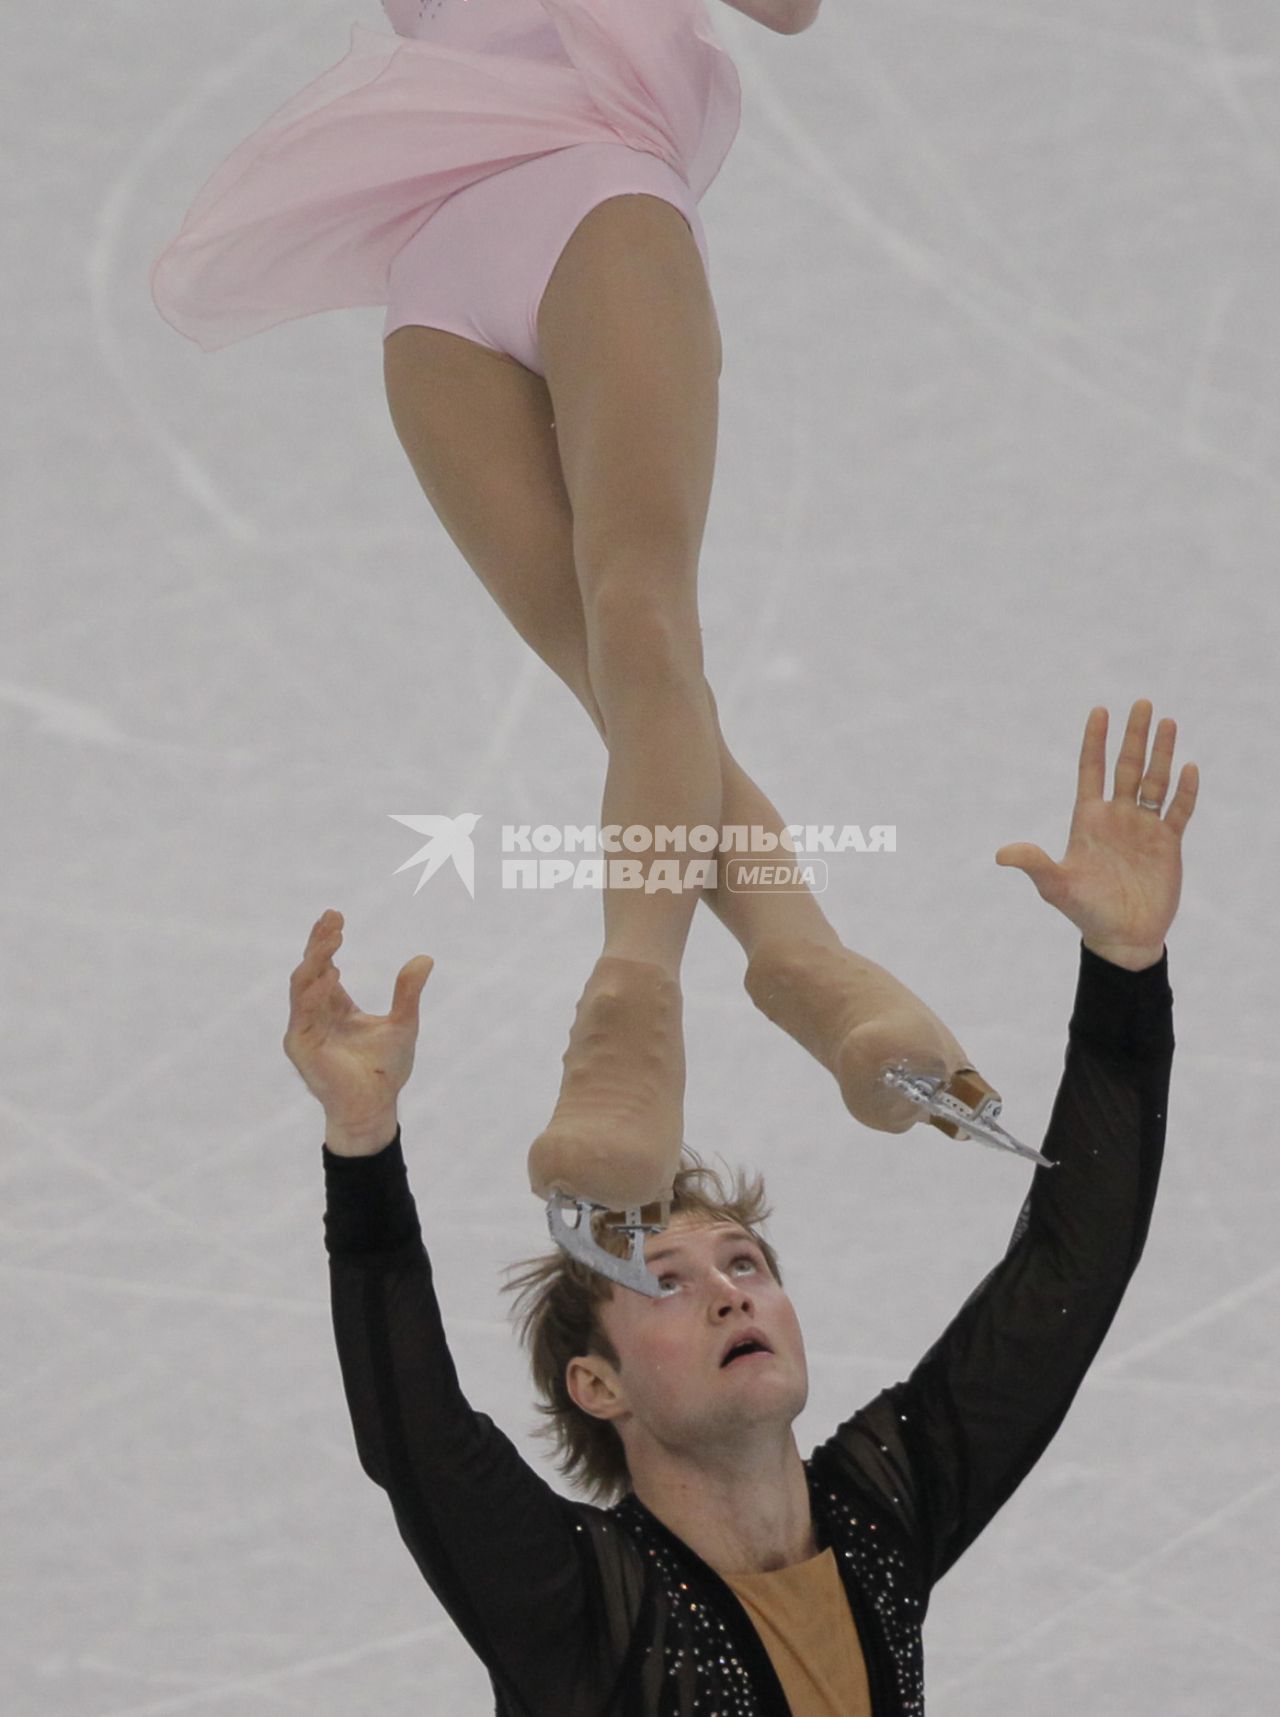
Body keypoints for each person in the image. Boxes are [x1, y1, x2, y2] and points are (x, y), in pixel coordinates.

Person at [152, 0, 1017, 1291]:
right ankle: (807, 961)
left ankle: (631, 1017)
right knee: (629, 679)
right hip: (431, 285)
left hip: (596, 196)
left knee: (641, 620)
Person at [283, 698, 1198, 1717]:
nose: (730, 1295)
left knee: (646, 674)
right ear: (597, 1385)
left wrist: (1124, 968)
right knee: (648, 670)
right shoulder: (578, 1604)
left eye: (745, 1264)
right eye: (667, 1283)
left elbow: (1067, 1272)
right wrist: (361, 1143)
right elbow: (415, 1433)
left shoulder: (878, 1522)